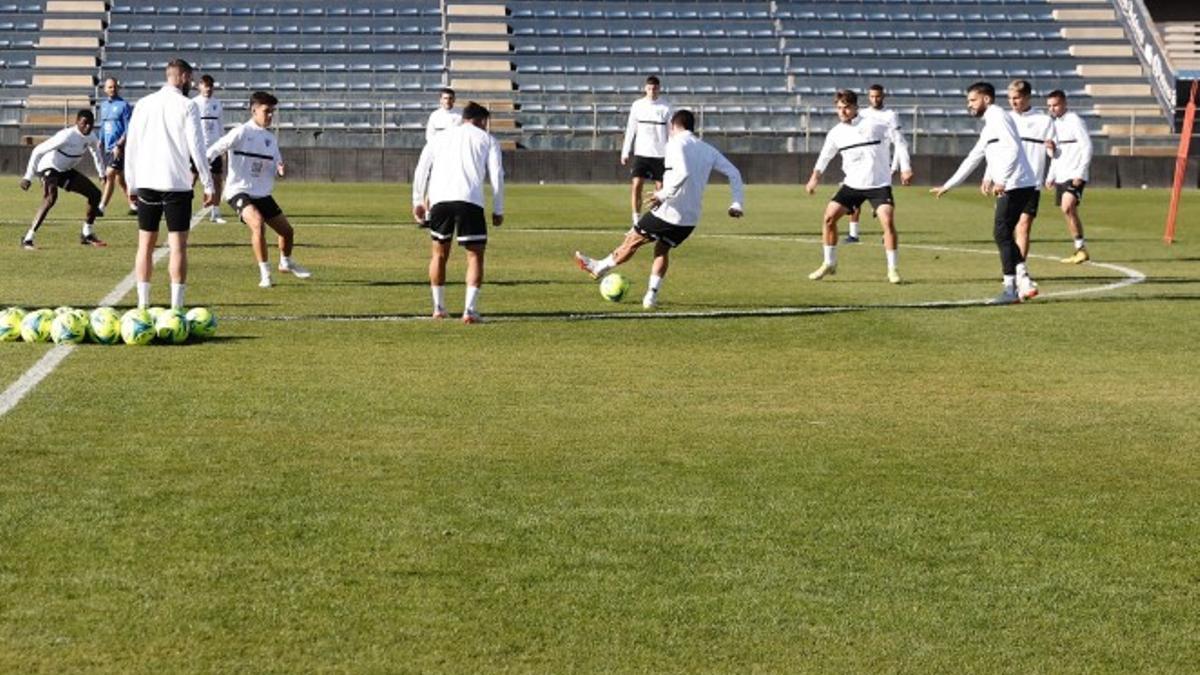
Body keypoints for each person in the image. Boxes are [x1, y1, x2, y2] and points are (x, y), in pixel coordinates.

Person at [575, 109, 744, 309]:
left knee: (633, 240)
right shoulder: (707, 149)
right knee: (662, 249)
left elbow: (682, 173)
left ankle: (599, 267)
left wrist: (661, 195)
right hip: (689, 219)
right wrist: (736, 203)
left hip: (670, 212)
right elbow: (734, 173)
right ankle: (651, 297)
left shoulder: (674, 144)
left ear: (673, 126)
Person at [931, 82, 1039, 305]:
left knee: (1001, 232)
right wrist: (949, 185)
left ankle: (1010, 290)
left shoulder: (998, 116)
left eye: (972, 100)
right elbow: (974, 156)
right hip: (1015, 183)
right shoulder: (990, 123)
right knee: (1005, 233)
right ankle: (1023, 280)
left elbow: (1012, 148)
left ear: (986, 99)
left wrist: (1002, 180)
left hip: (1016, 184)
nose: (969, 105)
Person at [124, 58, 216, 310]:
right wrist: (208, 184)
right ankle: (176, 308)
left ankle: (143, 306)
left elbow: (131, 146)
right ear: (184, 77)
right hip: (176, 183)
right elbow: (197, 148)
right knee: (178, 246)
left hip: (147, 182)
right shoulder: (188, 106)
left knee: (145, 245)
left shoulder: (143, 104)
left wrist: (130, 184)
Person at [206, 91, 312, 288]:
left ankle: (286, 262)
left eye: (272, 112)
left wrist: (280, 168)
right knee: (257, 222)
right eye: (266, 111)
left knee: (287, 232)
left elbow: (277, 162)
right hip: (238, 191)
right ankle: (265, 274)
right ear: (253, 110)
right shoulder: (241, 132)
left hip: (262, 193)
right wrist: (203, 171)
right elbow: (215, 149)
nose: (270, 115)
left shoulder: (270, 139)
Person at [411, 102, 504, 324]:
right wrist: (498, 208)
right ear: (481, 120)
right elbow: (497, 175)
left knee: (439, 254)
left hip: (440, 201)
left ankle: (438, 307)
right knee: (474, 255)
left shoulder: (440, 137)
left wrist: (417, 200)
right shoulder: (488, 140)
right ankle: (469, 310)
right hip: (470, 201)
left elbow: (422, 168)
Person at [805, 89, 902, 284]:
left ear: (856, 107)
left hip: (878, 184)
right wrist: (814, 178)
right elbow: (825, 156)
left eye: (847, 108)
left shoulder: (875, 124)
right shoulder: (836, 133)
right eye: (839, 108)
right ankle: (829, 263)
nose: (842, 112)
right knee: (829, 218)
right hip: (852, 185)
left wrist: (903, 166)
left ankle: (892, 269)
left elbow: (899, 141)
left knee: (887, 221)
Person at [18, 110, 107, 249]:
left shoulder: (91, 137)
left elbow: (96, 153)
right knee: (51, 198)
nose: (88, 127)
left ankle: (86, 234)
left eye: (91, 124)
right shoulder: (66, 136)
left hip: (65, 171)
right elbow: (37, 151)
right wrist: (27, 177)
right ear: (77, 122)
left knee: (95, 194)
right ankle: (28, 238)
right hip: (49, 167)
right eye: (84, 123)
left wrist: (102, 174)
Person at [1004, 79, 1055, 297]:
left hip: (1031, 183)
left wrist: (1052, 153)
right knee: (1006, 229)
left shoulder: (1043, 120)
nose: (1013, 102)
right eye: (1010, 99)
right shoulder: (1006, 119)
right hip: (1008, 181)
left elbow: (1055, 151)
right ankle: (1017, 272)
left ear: (1027, 97)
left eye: (1016, 98)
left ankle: (1020, 273)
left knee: (1023, 226)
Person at [845, 84, 914, 244]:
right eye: (872, 96)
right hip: (862, 163)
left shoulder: (890, 115)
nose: (875, 99)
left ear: (883, 96)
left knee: (885, 202)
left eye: (878, 96)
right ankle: (853, 234)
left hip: (883, 163)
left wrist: (901, 166)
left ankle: (886, 233)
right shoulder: (862, 114)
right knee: (855, 197)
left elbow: (898, 141)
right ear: (868, 97)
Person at [1045, 89, 1093, 264]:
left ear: (1064, 103)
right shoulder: (1053, 124)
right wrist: (1050, 173)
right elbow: (1055, 154)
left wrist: (1081, 173)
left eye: (1055, 105)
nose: (1052, 109)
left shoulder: (1074, 120)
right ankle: (1080, 248)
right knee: (1068, 211)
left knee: (1067, 207)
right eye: (1049, 106)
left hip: (1075, 173)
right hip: (1061, 174)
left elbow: (1087, 146)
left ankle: (1080, 249)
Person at [620, 75, 671, 227]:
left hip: (660, 154)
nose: (652, 91)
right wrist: (625, 151)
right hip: (641, 153)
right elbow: (631, 129)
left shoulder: (666, 107)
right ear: (645, 89)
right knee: (636, 184)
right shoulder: (637, 105)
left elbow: (671, 133)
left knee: (660, 189)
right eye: (649, 88)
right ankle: (636, 221)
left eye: (655, 88)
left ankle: (657, 220)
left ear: (659, 89)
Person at [97, 77, 136, 215]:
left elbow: (129, 127)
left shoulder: (124, 105)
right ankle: (134, 205)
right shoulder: (103, 106)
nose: (112, 89)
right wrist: (100, 140)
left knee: (110, 173)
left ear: (118, 88)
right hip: (108, 147)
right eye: (109, 87)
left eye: (114, 87)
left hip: (119, 148)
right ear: (105, 89)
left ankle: (101, 207)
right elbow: (103, 125)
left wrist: (120, 144)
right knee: (120, 179)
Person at [192, 74, 227, 223]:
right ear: (199, 86)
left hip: (214, 147)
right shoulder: (193, 103)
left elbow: (220, 125)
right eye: (205, 85)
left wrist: (223, 145)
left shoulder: (217, 104)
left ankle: (216, 211)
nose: (208, 89)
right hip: (198, 147)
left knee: (217, 178)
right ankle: (183, 208)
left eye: (210, 86)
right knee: (191, 178)